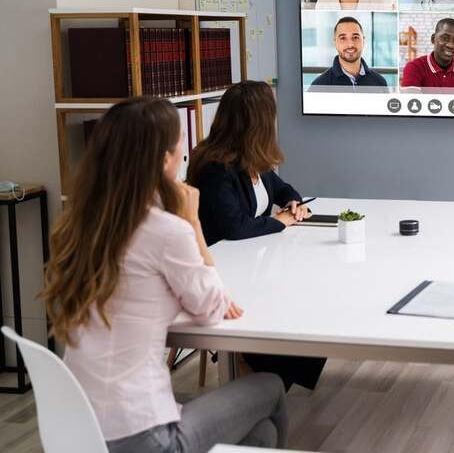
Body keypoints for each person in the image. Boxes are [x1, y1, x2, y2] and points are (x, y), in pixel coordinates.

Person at [40, 97, 288, 452]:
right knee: (271, 388)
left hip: (78, 427)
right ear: (162, 161)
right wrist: (192, 223)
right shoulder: (166, 230)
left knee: (261, 435)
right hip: (143, 437)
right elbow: (212, 309)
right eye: (178, 148)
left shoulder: (78, 225)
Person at [187, 80, 326, 392]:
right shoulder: (215, 167)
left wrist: (293, 202)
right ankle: (260, 370)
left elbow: (281, 189)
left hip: (254, 263)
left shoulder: (253, 157)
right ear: (258, 121)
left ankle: (270, 376)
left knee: (310, 296)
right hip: (226, 271)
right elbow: (233, 227)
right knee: (293, 300)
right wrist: (283, 221)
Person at [400, 17, 454, 92]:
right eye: (445, 38)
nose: (450, 45)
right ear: (433, 39)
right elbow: (411, 105)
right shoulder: (414, 67)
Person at [311, 16, 388, 88]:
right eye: (343, 38)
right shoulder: (319, 85)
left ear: (363, 41)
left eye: (355, 37)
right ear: (335, 42)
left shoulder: (380, 82)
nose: (350, 44)